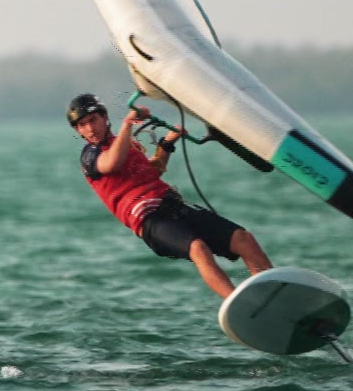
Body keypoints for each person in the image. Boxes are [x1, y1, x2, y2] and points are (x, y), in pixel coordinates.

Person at [66, 92, 273, 299]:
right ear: (78, 130)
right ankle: (240, 304)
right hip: (149, 220)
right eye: (83, 125)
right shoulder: (90, 155)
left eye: (93, 120)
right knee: (199, 249)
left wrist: (167, 143)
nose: (90, 128)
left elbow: (152, 171)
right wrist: (129, 123)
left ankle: (272, 292)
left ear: (104, 117)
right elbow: (112, 163)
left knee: (243, 239)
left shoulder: (125, 144)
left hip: (173, 206)